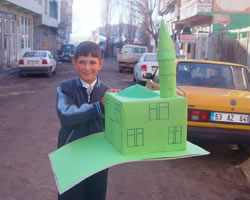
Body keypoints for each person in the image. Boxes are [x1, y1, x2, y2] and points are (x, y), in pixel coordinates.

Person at [56, 41, 120, 200]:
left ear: (101, 64)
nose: (87, 67)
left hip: (98, 159)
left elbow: (117, 127)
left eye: (92, 62)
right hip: (70, 157)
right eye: (82, 62)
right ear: (74, 63)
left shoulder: (109, 93)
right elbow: (66, 115)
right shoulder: (65, 88)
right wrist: (99, 106)